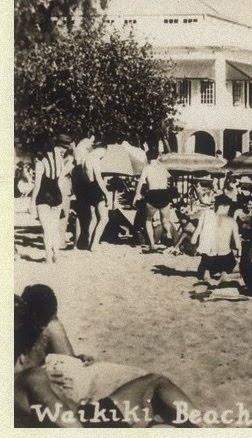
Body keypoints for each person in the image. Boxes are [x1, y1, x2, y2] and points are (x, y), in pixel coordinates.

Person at [14, 285, 200, 428]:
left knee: (151, 391)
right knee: (156, 382)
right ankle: (204, 427)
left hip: (91, 414)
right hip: (94, 421)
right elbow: (70, 425)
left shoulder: (26, 378)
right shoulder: (33, 377)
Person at [31, 134, 74, 263]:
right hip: (57, 196)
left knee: (47, 229)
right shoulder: (60, 162)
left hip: (43, 197)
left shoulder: (41, 162)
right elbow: (60, 180)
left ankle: (48, 257)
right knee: (54, 228)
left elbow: (37, 185)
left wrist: (31, 202)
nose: (64, 151)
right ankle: (56, 255)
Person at [189, 195, 241, 285]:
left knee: (206, 259)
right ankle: (224, 273)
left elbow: (193, 239)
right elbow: (237, 245)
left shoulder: (206, 216)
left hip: (209, 259)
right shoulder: (232, 221)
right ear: (227, 206)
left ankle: (206, 274)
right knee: (234, 264)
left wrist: (195, 246)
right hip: (225, 258)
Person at [131, 149, 175, 250]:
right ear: (157, 156)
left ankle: (152, 245)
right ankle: (168, 234)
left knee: (148, 220)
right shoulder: (163, 167)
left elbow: (140, 182)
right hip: (164, 193)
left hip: (152, 194)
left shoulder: (147, 168)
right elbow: (169, 179)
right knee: (165, 221)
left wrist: (137, 194)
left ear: (147, 157)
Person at [83, 144, 111, 251]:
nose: (103, 156)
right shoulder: (95, 160)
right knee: (104, 218)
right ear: (101, 149)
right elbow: (99, 179)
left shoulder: (86, 159)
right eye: (104, 153)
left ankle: (88, 241)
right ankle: (94, 244)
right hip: (96, 188)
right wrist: (107, 193)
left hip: (88, 188)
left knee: (94, 218)